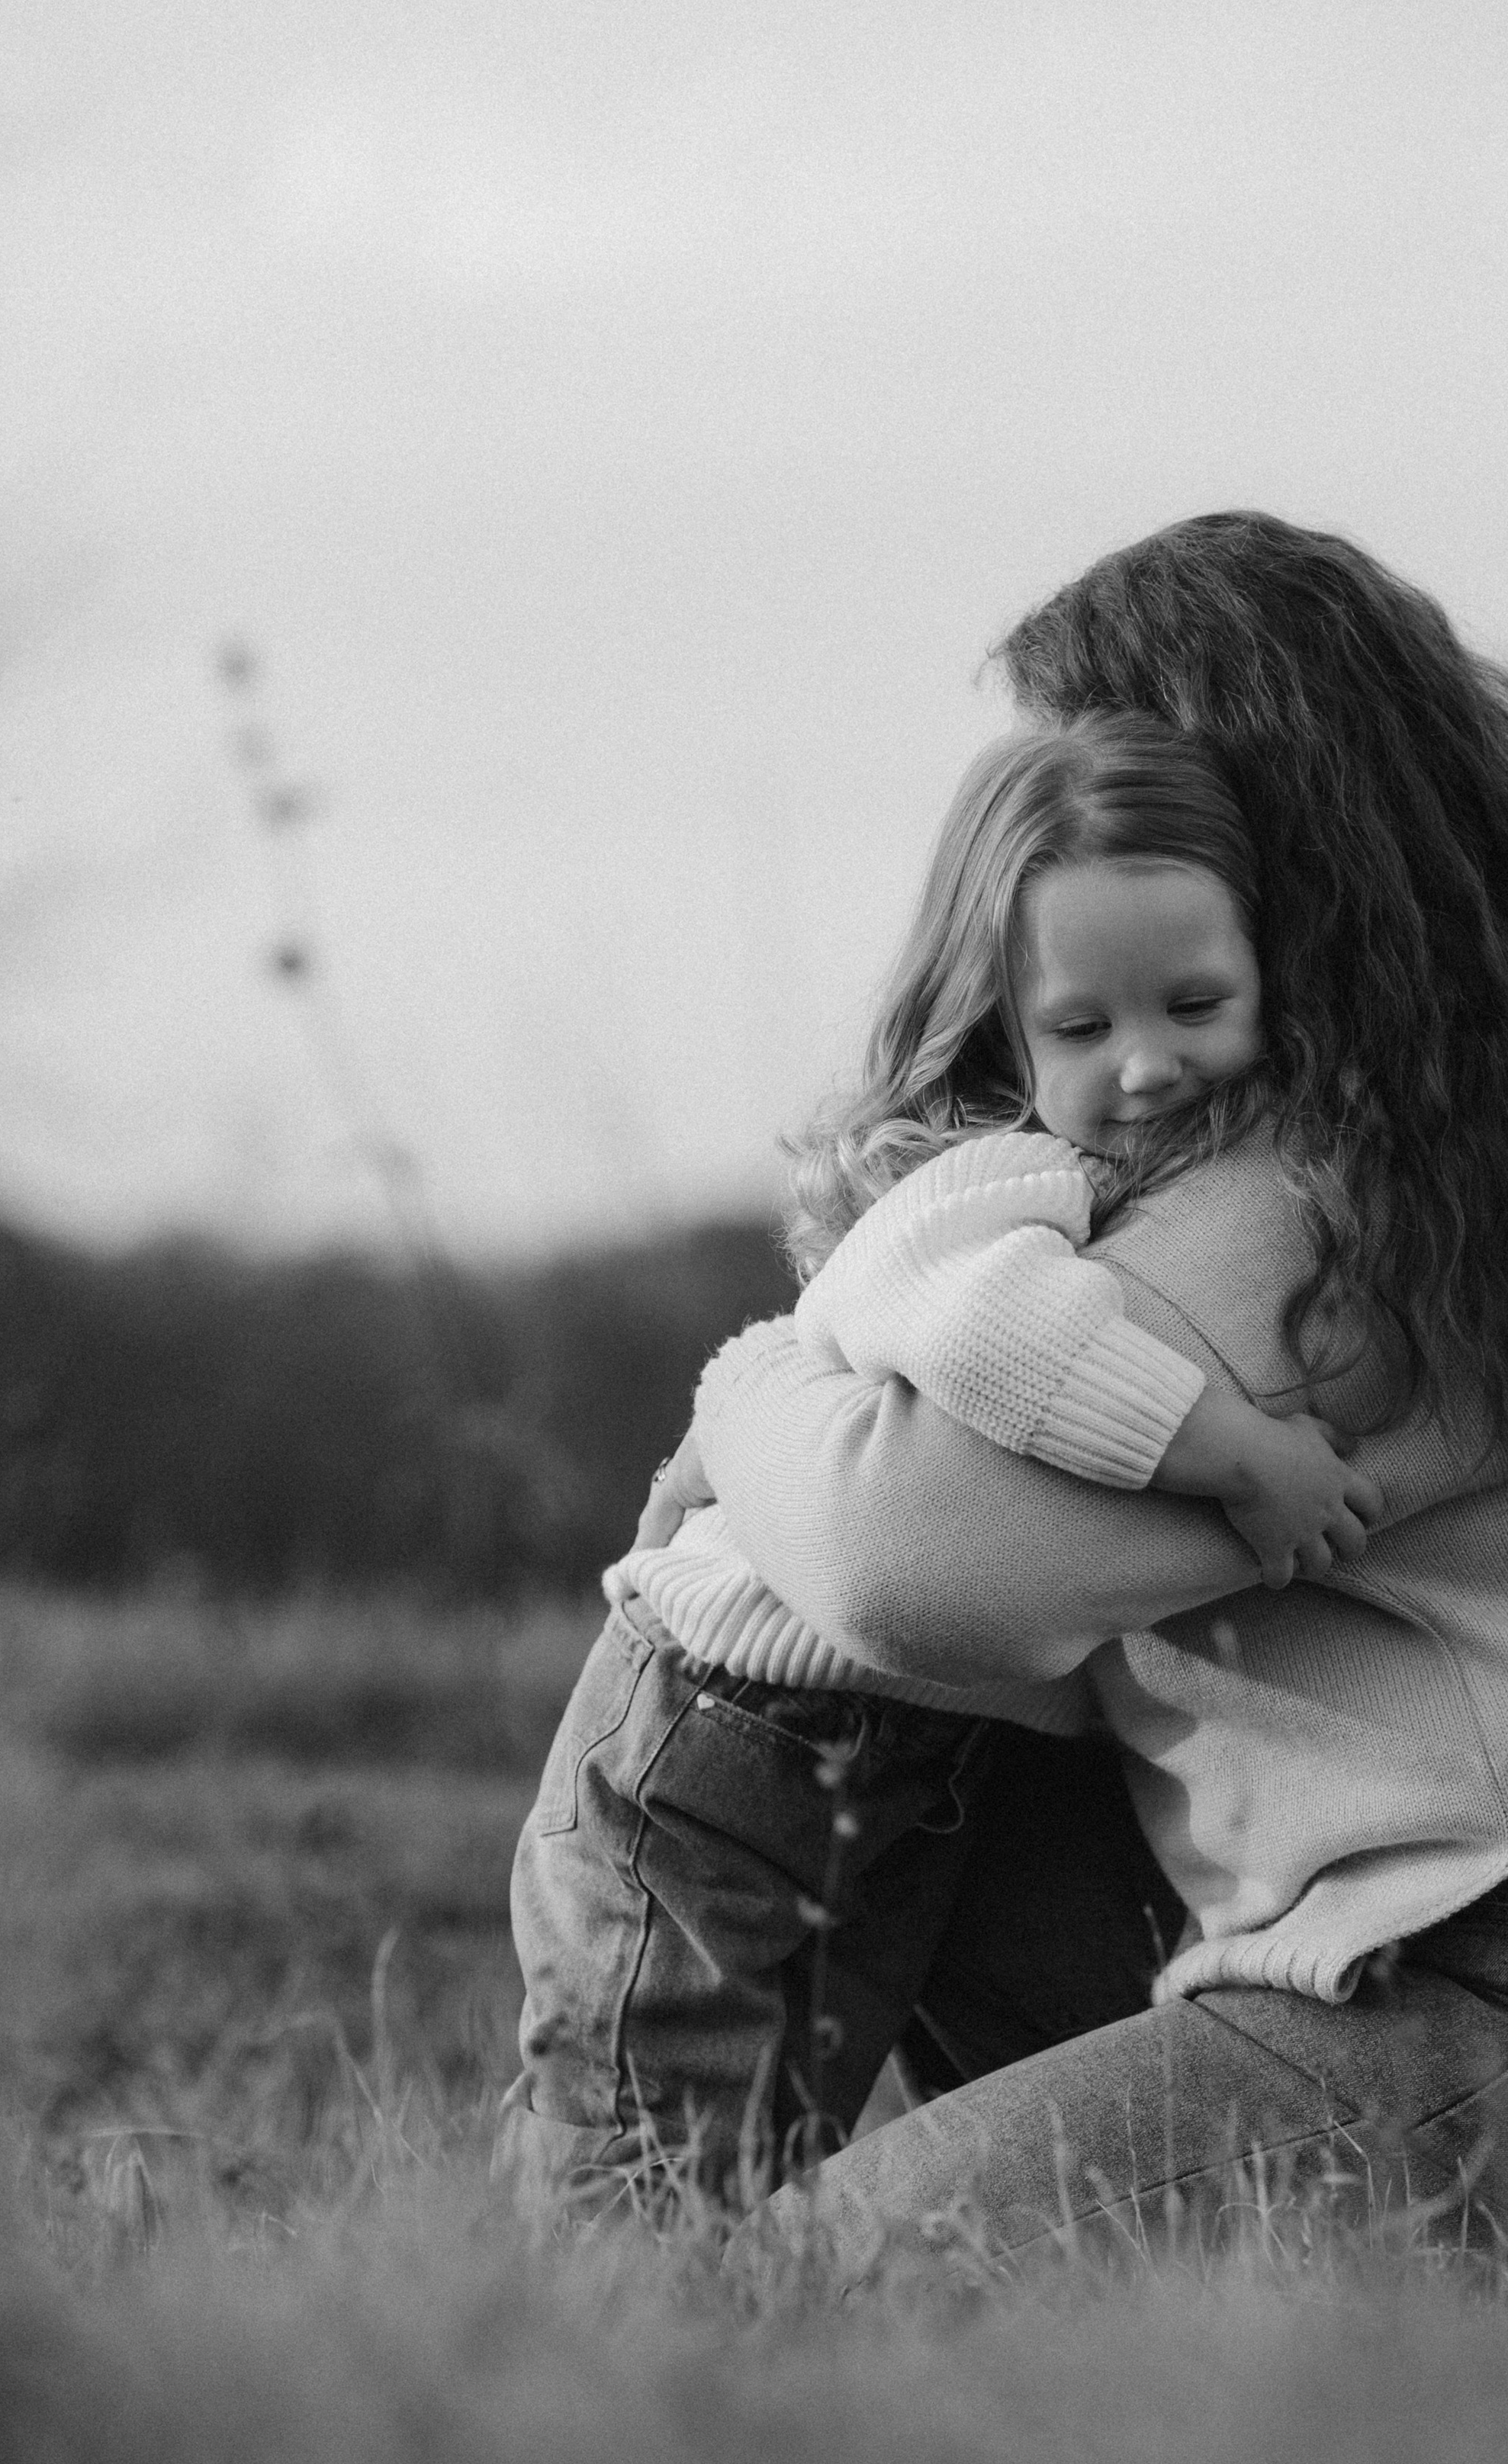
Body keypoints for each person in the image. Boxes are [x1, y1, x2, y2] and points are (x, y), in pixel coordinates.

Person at [661, 510, 1508, 2307]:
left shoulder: (1286, 1210)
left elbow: (897, 1558)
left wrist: (753, 1372)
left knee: (789, 2304)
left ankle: (595, 2304)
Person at [509, 716, 1381, 2206]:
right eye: (1082, 1030)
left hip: (946, 1744)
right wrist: (1234, 1452)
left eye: (1192, 1004)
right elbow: (994, 1337)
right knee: (654, 2148)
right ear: (999, 1035)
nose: (1147, 1063)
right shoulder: (992, 1183)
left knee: (1012, 2118)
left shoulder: (1169, 1180)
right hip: (735, 1728)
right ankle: (568, 2408)